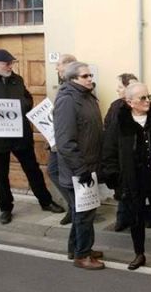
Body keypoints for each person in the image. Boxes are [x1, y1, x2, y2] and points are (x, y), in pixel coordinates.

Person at [0, 49, 65, 225]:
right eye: (6, 63)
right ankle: (5, 208)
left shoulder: (17, 80)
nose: (10, 66)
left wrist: (21, 105)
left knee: (32, 169)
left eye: (12, 63)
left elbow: (28, 99)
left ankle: (46, 201)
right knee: (1, 173)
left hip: (20, 135)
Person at [102, 82, 151, 271]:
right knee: (136, 219)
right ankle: (139, 254)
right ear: (130, 102)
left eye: (148, 97)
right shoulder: (120, 122)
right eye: (142, 98)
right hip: (132, 179)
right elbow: (109, 152)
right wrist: (117, 181)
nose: (147, 101)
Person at [54, 61, 105, 270]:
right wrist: (81, 170)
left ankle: (76, 248)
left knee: (82, 212)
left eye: (90, 75)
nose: (90, 79)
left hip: (88, 167)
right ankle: (82, 256)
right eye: (85, 76)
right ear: (72, 79)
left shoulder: (87, 96)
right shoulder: (67, 100)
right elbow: (65, 142)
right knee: (84, 214)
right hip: (77, 170)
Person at [104, 73, 139, 232]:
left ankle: (142, 218)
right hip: (119, 155)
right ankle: (122, 218)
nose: (117, 90)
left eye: (120, 87)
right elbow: (108, 127)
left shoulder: (142, 106)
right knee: (122, 189)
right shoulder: (115, 106)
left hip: (136, 156)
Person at [49, 53, 78, 226]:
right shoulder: (63, 86)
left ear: (67, 66)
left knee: (63, 174)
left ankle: (76, 208)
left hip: (66, 141)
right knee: (53, 171)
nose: (56, 68)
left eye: (58, 64)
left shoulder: (77, 87)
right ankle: (73, 206)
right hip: (57, 140)